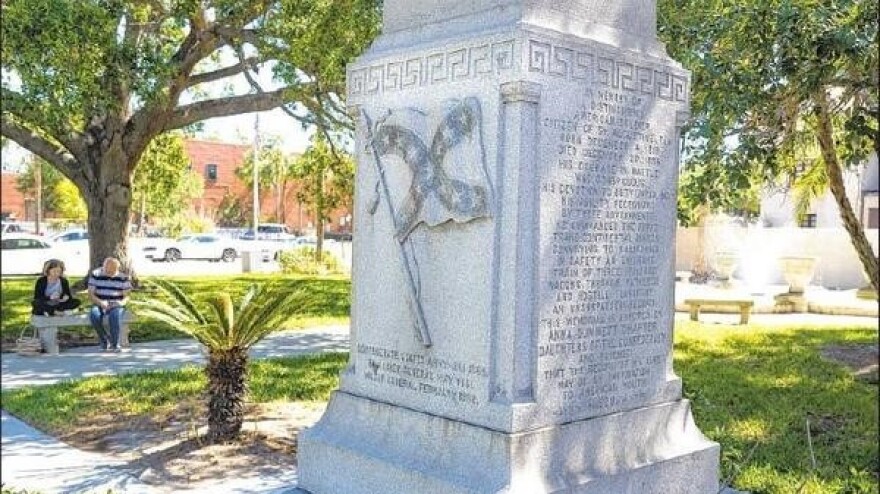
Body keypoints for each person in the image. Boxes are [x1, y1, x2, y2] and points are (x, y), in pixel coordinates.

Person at [88, 257, 132, 352]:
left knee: (114, 316)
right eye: (107, 270)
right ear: (103, 267)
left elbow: (127, 297)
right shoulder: (96, 275)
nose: (109, 273)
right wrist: (101, 303)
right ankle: (104, 340)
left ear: (117, 268)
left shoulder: (123, 278)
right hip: (100, 302)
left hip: (116, 303)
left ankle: (115, 344)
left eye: (113, 271)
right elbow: (91, 294)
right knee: (94, 315)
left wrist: (120, 303)